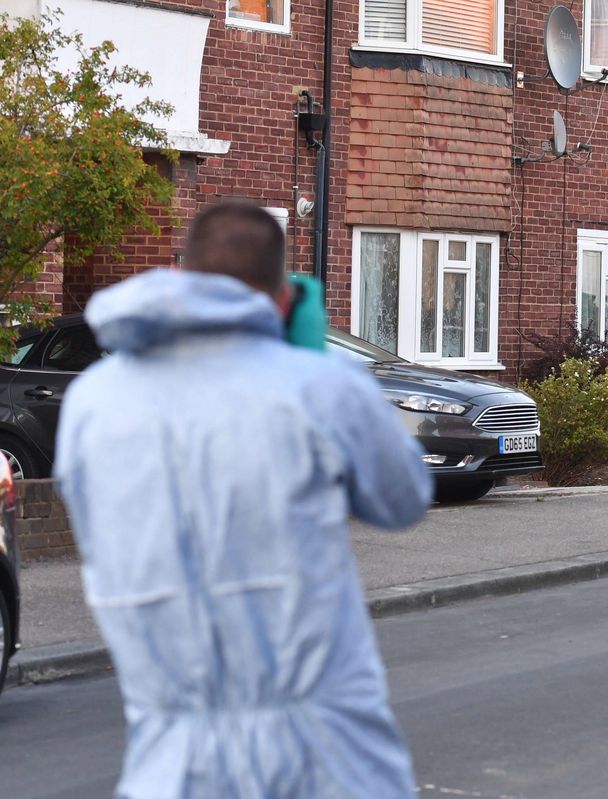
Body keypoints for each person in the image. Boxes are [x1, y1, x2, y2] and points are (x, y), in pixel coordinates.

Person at [54, 201, 433, 798]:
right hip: (327, 754)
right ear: (284, 298)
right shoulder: (320, 387)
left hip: (170, 760)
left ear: (179, 277)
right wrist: (318, 367)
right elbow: (404, 498)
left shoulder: (92, 400)